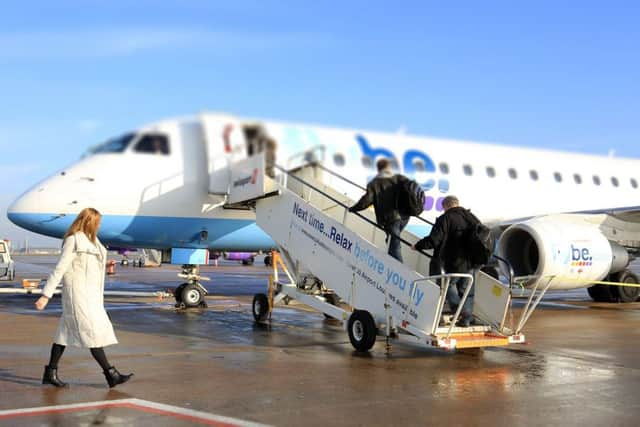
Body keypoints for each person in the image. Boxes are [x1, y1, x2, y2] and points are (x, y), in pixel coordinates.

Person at [35, 208, 133, 388]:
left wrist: (104, 264)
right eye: (98, 222)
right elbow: (60, 268)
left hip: (91, 295)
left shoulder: (94, 242)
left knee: (63, 335)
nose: (99, 225)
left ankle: (50, 372)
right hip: (78, 295)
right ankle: (111, 374)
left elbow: (86, 267)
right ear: (89, 221)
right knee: (91, 332)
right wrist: (46, 295)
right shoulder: (74, 240)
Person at [412, 195, 476, 326]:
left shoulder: (445, 218)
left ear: (446, 206)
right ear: (457, 204)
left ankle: (463, 314)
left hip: (453, 262)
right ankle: (467, 318)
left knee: (447, 285)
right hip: (471, 261)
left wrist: (417, 245)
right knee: (466, 290)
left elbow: (434, 240)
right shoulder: (472, 218)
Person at [349, 158, 409, 262]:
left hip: (391, 218)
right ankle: (394, 266)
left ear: (378, 169)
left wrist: (353, 209)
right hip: (405, 216)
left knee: (394, 246)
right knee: (393, 241)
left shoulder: (375, 183)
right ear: (388, 167)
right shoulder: (398, 179)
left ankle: (400, 273)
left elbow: (365, 201)